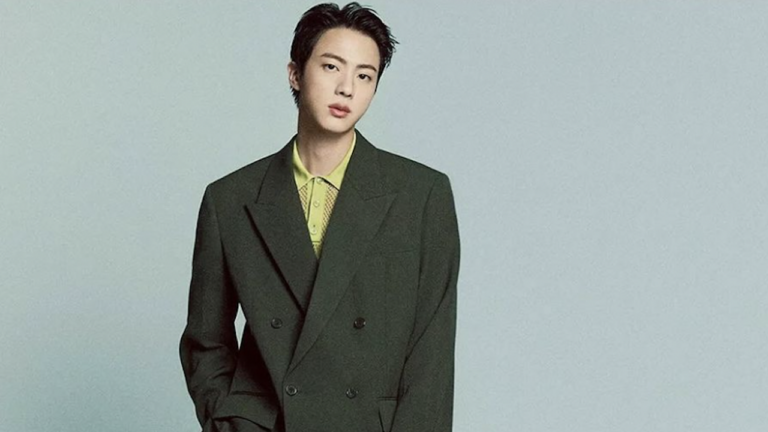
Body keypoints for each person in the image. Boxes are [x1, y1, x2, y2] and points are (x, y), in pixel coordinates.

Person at [179, 3, 460, 432]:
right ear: (295, 73)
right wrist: (228, 422)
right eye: (331, 67)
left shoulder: (421, 196)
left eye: (365, 76)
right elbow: (205, 341)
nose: (347, 88)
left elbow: (432, 357)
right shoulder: (230, 199)